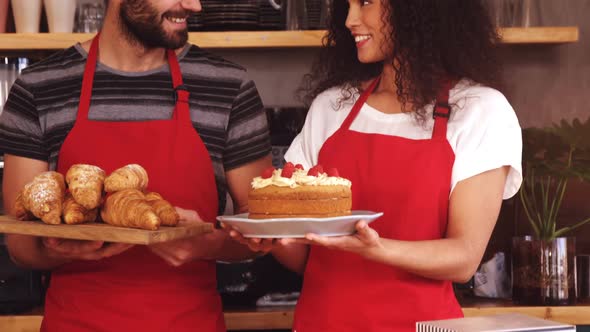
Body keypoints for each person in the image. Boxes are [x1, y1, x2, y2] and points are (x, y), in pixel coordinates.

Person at [226, 0, 523, 331]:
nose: (351, 19)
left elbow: (464, 258)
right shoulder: (332, 108)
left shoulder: (478, 111)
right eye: (348, 4)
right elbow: (308, 257)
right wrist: (272, 240)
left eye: (366, 2)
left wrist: (376, 248)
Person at [0, 0, 271, 331]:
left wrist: (207, 244)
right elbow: (20, 244)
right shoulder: (39, 87)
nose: (194, 6)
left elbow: (261, 229)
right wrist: (68, 250)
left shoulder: (229, 86)